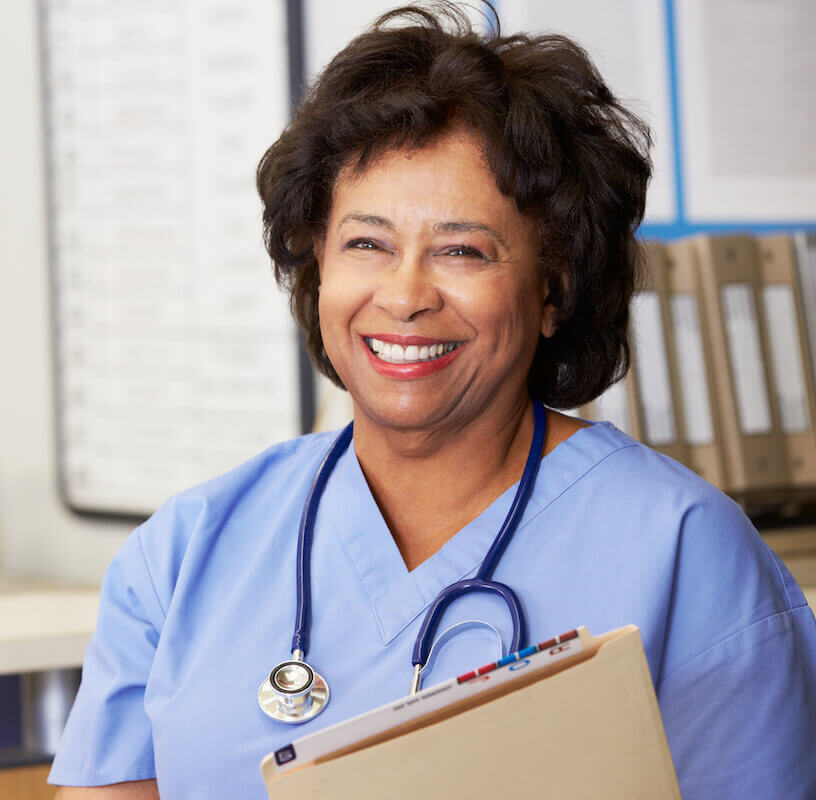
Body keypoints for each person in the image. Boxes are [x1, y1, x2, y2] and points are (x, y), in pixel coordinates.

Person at [48, 4, 816, 798]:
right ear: (317, 268)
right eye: (366, 244)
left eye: (461, 250)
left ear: (553, 288)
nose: (405, 295)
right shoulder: (181, 557)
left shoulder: (687, 553)